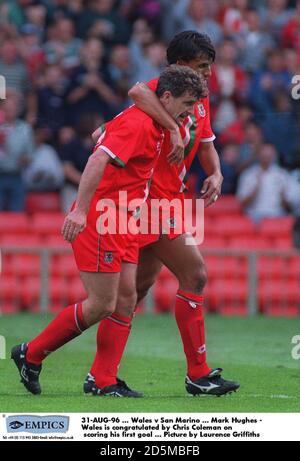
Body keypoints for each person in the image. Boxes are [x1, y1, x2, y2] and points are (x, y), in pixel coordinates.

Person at [11, 65, 205, 397]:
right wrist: (82, 211)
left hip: (126, 221)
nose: (190, 112)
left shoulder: (160, 125)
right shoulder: (140, 123)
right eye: (187, 104)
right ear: (167, 97)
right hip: (104, 218)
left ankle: (103, 380)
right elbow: (98, 159)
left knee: (126, 300)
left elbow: (100, 135)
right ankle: (31, 354)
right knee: (103, 303)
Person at [86, 31, 240, 397]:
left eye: (210, 67)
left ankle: (100, 374)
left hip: (167, 204)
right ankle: (194, 375)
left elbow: (206, 144)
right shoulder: (163, 90)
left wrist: (215, 172)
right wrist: (171, 127)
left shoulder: (199, 101)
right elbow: (136, 91)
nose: (209, 74)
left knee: (138, 290)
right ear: (180, 65)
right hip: (145, 205)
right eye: (203, 66)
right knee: (190, 275)